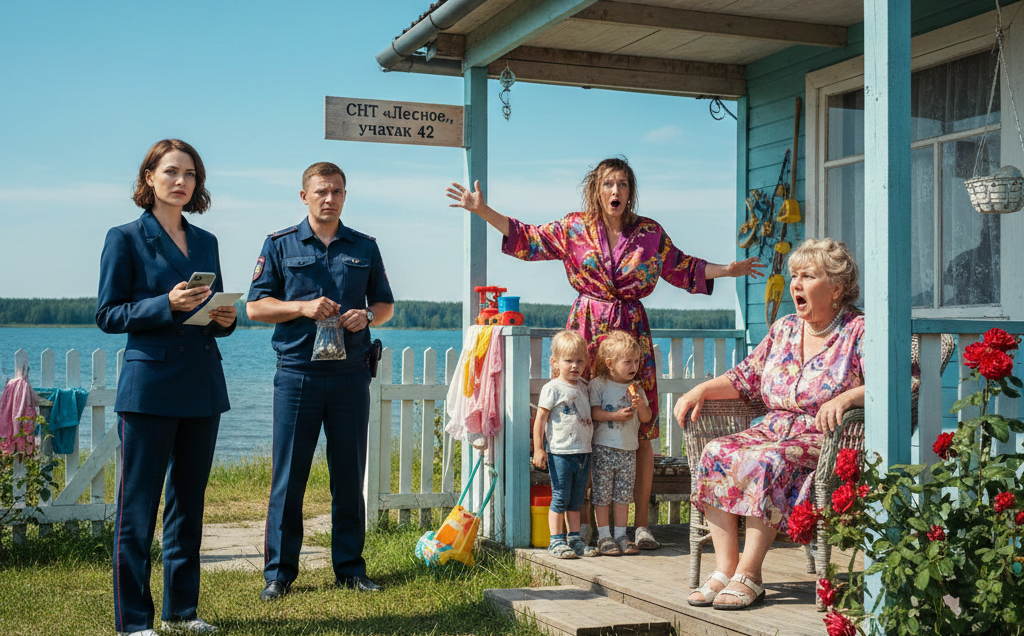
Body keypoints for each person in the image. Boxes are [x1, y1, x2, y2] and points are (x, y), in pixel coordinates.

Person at [447, 157, 764, 549]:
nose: (616, 191)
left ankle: (640, 526)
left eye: (623, 184)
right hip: (588, 330)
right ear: (596, 190)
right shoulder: (574, 228)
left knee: (641, 426)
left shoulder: (649, 233)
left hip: (632, 335)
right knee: (582, 421)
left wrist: (728, 270)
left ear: (631, 192)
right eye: (609, 184)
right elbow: (528, 238)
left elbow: (682, 267)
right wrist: (482, 210)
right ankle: (585, 527)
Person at [673, 238, 865, 611]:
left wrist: (847, 398)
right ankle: (725, 568)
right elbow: (745, 378)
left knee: (769, 460)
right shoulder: (785, 328)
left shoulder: (857, 330)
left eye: (808, 276)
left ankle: (751, 573)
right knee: (716, 451)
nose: (796, 284)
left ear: (836, 288)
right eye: (794, 276)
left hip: (826, 438)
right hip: (773, 429)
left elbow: (899, 383)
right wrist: (701, 389)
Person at [97, 139, 237, 636]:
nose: (182, 181)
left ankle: (182, 610)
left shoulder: (206, 241)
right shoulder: (124, 238)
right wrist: (166, 305)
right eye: (172, 172)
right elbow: (108, 314)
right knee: (137, 510)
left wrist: (225, 318)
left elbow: (212, 314)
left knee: (188, 506)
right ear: (149, 177)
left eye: (191, 174)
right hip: (150, 387)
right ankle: (134, 622)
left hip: (201, 384)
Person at [247, 162, 394, 601]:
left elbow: (385, 304)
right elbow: (255, 308)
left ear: (345, 196)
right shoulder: (279, 244)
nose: (330, 199)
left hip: (350, 376)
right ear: (304, 196)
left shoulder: (364, 246)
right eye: (322, 191)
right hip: (298, 375)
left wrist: (366, 316)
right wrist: (302, 308)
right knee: (289, 478)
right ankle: (279, 574)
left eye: (337, 191)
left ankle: (350, 569)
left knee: (348, 478)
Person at [532, 330, 599, 559]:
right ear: (555, 362)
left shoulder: (584, 387)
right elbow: (540, 419)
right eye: (568, 360)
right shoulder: (553, 388)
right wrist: (539, 448)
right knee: (561, 497)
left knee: (577, 500)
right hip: (561, 453)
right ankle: (556, 541)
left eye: (580, 361)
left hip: (583, 452)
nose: (574, 366)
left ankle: (575, 540)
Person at [588, 331, 651, 556]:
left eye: (636, 361)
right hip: (603, 448)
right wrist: (615, 416)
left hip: (628, 450)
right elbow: (594, 413)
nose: (633, 366)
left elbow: (646, 418)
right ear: (610, 363)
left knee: (623, 495)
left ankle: (621, 535)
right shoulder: (599, 385)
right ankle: (604, 535)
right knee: (602, 494)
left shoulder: (637, 389)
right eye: (628, 362)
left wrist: (641, 406)